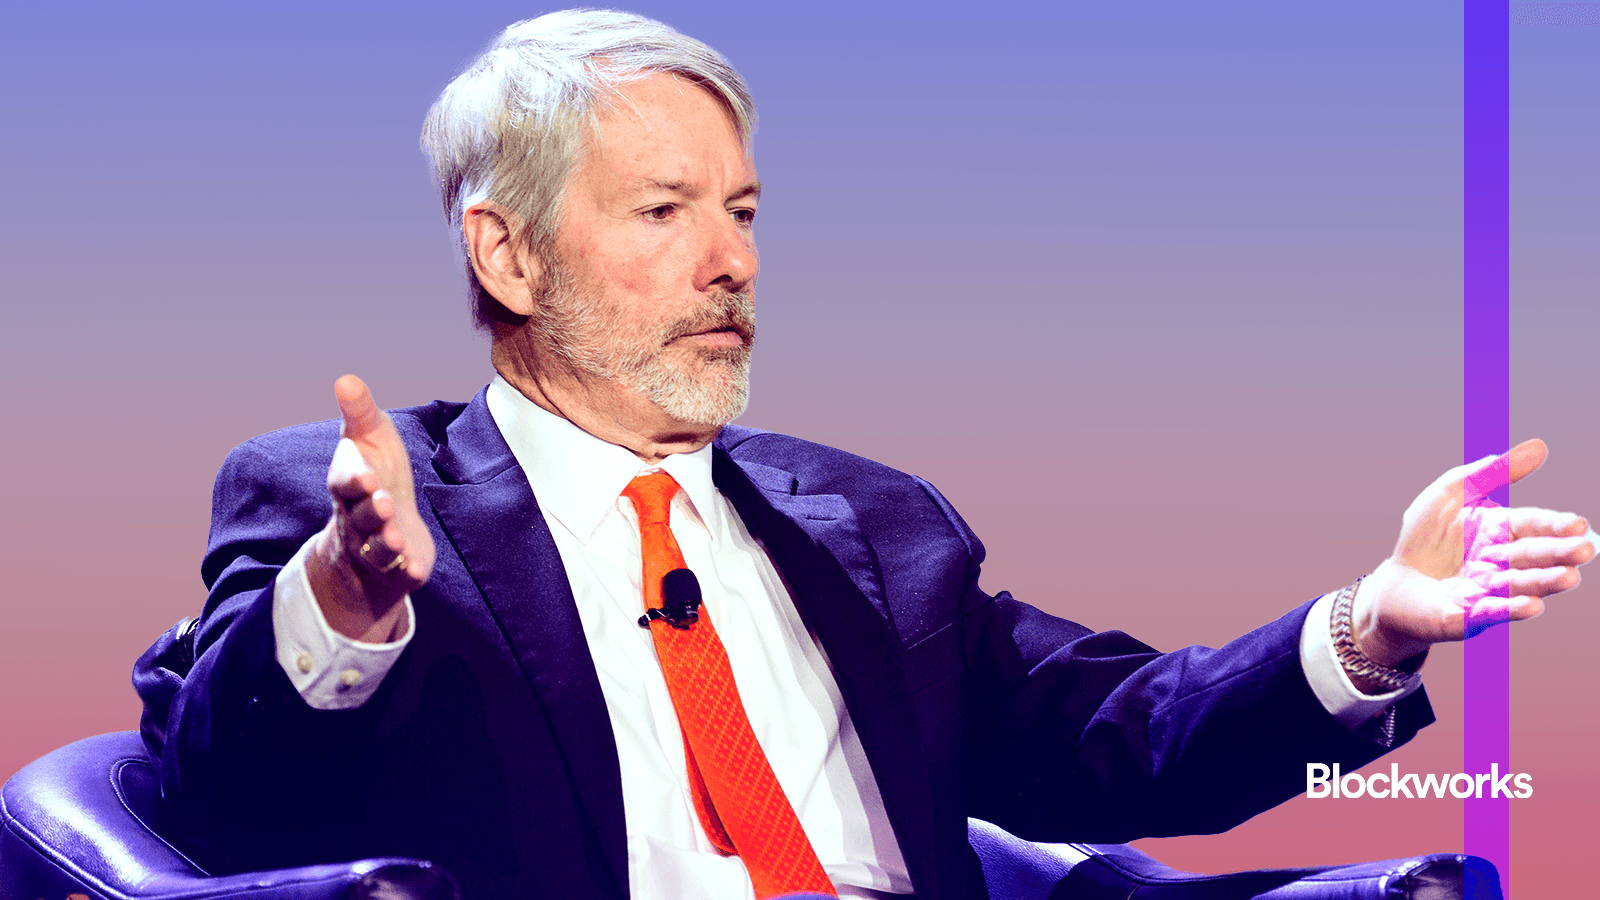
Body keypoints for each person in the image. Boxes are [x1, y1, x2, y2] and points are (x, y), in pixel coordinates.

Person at [135, 10, 1594, 900]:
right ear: (506, 254)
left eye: (744, 211)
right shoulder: (350, 505)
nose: (732, 261)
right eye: (663, 211)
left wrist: (1372, 624)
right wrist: (345, 602)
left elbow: (1112, 736)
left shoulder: (877, 524)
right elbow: (215, 808)